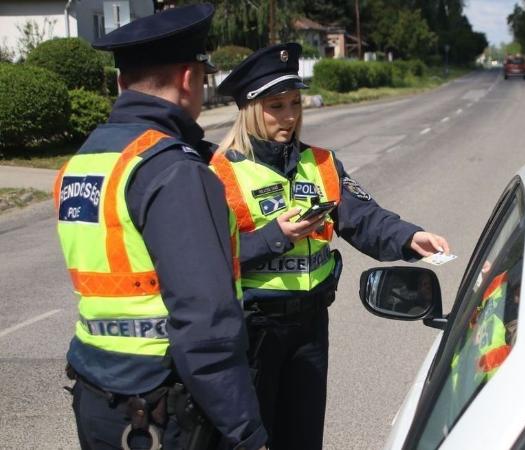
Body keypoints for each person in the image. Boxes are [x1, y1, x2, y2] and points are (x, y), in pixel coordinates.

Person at [211, 42, 451, 449]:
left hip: (310, 326)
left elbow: (365, 217)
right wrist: (274, 238)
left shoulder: (321, 162)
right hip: (254, 328)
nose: (289, 116)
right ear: (250, 109)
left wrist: (410, 238)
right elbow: (207, 259)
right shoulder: (219, 172)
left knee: (304, 439)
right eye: (276, 106)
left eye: (295, 104)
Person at [53, 4, 266, 449]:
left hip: (97, 396)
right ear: (189, 79)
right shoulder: (173, 170)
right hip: (161, 410)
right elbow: (205, 322)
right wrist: (246, 430)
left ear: (120, 83)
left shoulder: (85, 160)